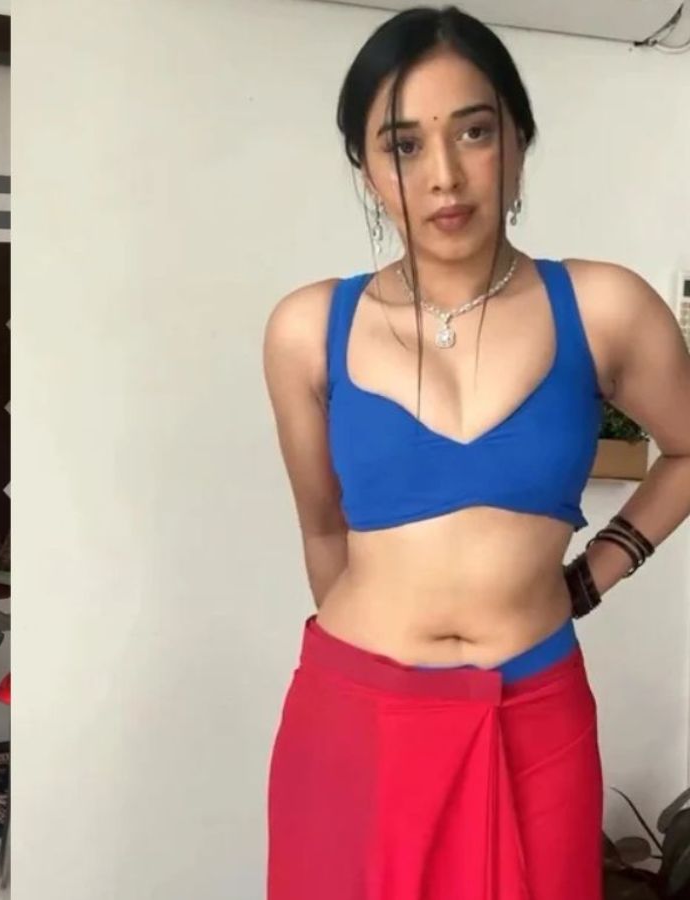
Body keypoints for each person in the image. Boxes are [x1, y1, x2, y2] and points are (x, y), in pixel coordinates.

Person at [262, 6, 690, 898]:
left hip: (533, 714)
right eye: (403, 145)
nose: (444, 175)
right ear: (366, 168)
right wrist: (377, 677)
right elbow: (323, 530)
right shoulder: (308, 328)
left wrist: (595, 573)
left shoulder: (604, 307)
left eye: (475, 132)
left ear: (519, 141)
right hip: (355, 721)